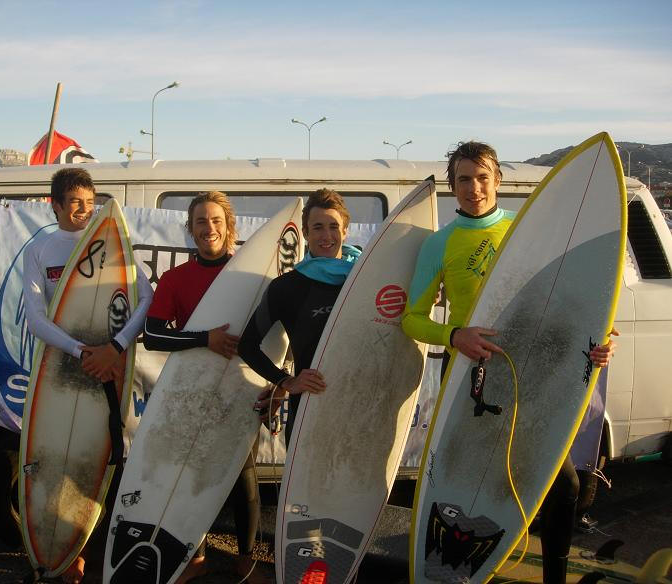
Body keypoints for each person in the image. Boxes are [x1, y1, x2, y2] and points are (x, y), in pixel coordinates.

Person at [401, 141, 616, 584]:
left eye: (482, 178)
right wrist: (454, 335)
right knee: (468, 486)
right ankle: (455, 572)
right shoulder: (440, 244)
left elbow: (571, 301)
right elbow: (411, 318)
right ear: (452, 186)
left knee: (564, 486)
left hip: (530, 374)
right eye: (464, 179)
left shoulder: (527, 233)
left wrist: (600, 339)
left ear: (498, 180)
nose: (474, 188)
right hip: (472, 379)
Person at [22, 167, 153, 584]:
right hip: (62, 369)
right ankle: (69, 552)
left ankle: (101, 554)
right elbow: (36, 318)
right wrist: (80, 351)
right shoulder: (40, 250)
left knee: (107, 457)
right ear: (56, 204)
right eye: (75, 202)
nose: (84, 210)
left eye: (90, 202)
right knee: (62, 456)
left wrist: (115, 346)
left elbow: (146, 299)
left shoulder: (113, 242)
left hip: (111, 368)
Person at [142, 191, 269, 584]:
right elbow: (152, 336)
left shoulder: (252, 278)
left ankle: (246, 559)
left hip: (241, 388)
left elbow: (275, 335)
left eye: (216, 220)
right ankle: (194, 555)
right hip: (193, 391)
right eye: (201, 221)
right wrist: (204, 339)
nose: (209, 228)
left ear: (229, 226)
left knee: (242, 474)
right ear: (190, 228)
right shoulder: (175, 278)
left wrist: (277, 382)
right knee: (190, 474)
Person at [238, 188, 361, 445]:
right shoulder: (287, 287)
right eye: (317, 227)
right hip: (309, 409)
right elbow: (247, 346)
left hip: (360, 406)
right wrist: (286, 381)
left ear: (345, 231)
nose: (326, 236)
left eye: (333, 227)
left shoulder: (367, 278)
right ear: (305, 233)